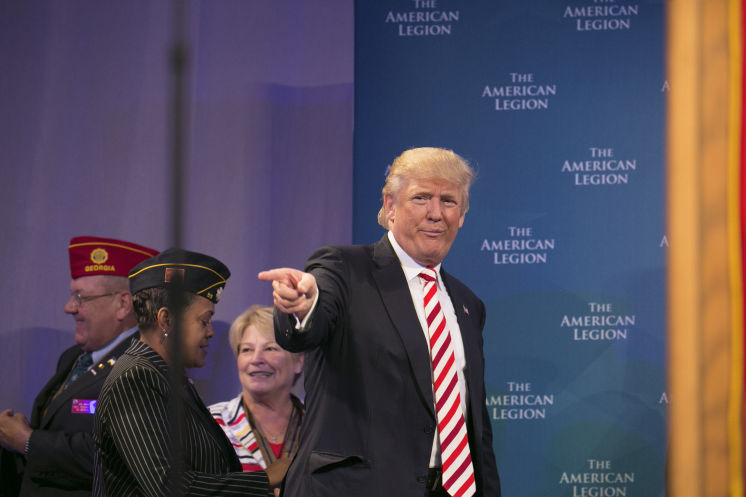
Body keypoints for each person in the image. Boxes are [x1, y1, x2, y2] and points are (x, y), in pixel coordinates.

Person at [259, 147, 501, 497]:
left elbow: (473, 421)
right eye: (421, 198)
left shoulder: (468, 304)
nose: (436, 213)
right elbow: (309, 324)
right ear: (390, 206)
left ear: (462, 215)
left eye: (448, 201)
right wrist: (302, 306)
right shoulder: (345, 268)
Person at [91, 248, 272, 497]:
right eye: (203, 320)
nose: (210, 332)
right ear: (166, 320)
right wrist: (269, 478)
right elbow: (169, 487)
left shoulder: (164, 376)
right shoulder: (135, 378)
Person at [0, 236, 158, 497]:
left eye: (80, 297)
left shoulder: (143, 366)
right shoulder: (73, 357)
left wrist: (27, 441)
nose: (69, 307)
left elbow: (119, 457)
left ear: (123, 304)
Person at [208, 305, 304, 495]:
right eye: (247, 350)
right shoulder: (210, 423)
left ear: (298, 362)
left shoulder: (318, 428)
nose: (257, 359)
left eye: (270, 348)